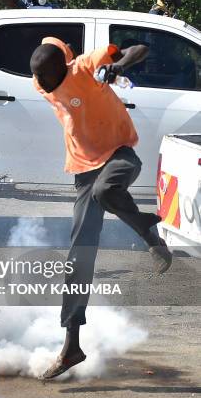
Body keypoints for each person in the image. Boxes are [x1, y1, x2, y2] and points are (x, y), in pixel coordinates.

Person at [29, 37, 173, 379]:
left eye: (49, 78)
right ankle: (71, 346)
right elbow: (48, 52)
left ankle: (151, 237)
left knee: (107, 189)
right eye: (40, 80)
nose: (45, 85)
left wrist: (118, 66)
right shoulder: (40, 82)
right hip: (83, 170)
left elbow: (140, 49)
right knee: (78, 257)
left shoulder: (83, 67)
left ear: (61, 68)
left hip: (120, 155)